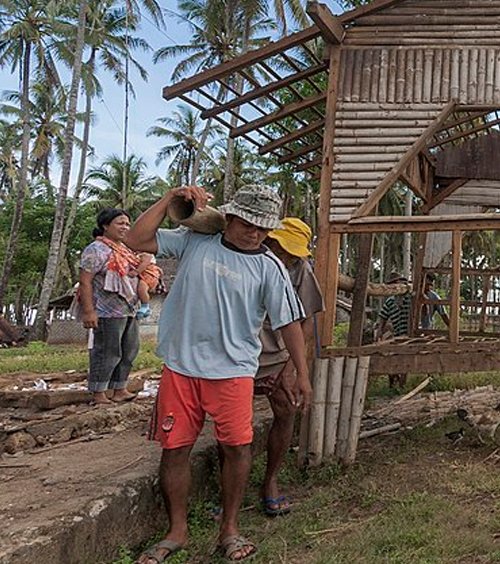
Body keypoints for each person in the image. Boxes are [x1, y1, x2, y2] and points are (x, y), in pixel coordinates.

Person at [126, 185, 311, 564]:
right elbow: (136, 238)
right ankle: (177, 530)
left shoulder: (269, 267)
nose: (254, 233)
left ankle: (229, 528)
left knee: (237, 448)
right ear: (230, 217)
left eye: (262, 228)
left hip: (233, 372)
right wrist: (169, 199)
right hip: (181, 366)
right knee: (175, 450)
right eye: (247, 223)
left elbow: (290, 323)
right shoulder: (195, 241)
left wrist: (302, 375)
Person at [254, 217, 325, 516]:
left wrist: (293, 367)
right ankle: (230, 484)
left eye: (291, 252)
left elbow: (307, 320)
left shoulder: (300, 269)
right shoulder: (250, 258)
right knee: (232, 425)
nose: (284, 256)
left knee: (285, 412)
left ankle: (270, 480)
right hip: (239, 354)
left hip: (277, 355)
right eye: (281, 248)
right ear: (270, 240)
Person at [78, 208, 146, 404]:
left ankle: (119, 388)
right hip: (106, 311)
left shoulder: (126, 250)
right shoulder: (96, 250)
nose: (125, 227)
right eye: (120, 223)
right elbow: (85, 281)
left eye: (127, 223)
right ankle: (99, 392)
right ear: (105, 226)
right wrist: (89, 311)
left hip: (129, 308)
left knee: (129, 350)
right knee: (107, 351)